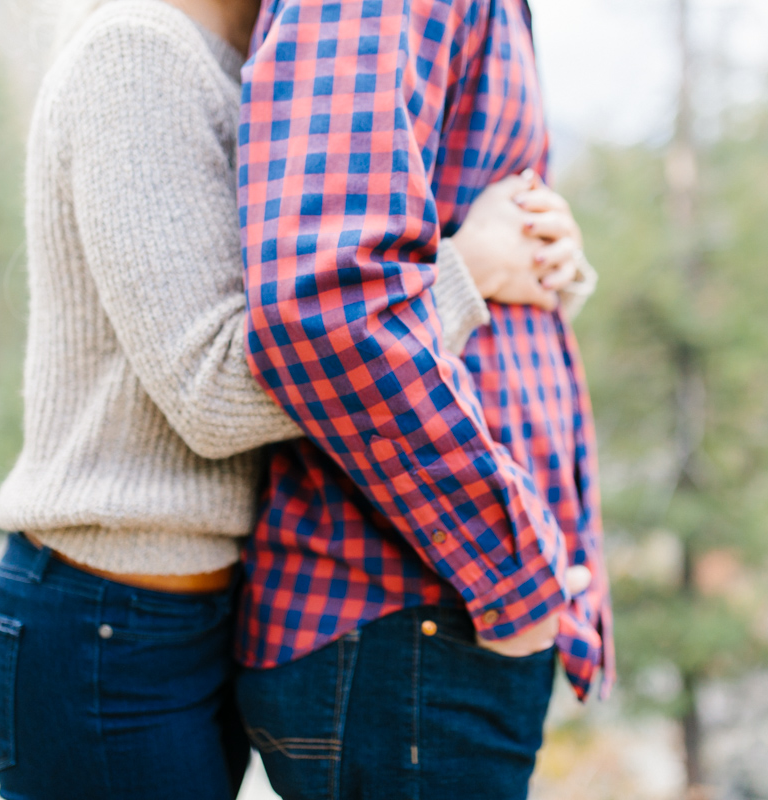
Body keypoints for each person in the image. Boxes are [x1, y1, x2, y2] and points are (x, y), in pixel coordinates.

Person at [0, 0, 589, 797]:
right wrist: (467, 271)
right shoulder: (137, 54)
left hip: (194, 611)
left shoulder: (246, 57)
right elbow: (211, 393)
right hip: (103, 616)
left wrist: (543, 264)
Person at [234, 0, 615, 798]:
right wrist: (518, 574)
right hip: (415, 616)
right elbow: (326, 305)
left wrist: (553, 266)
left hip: (444, 617)